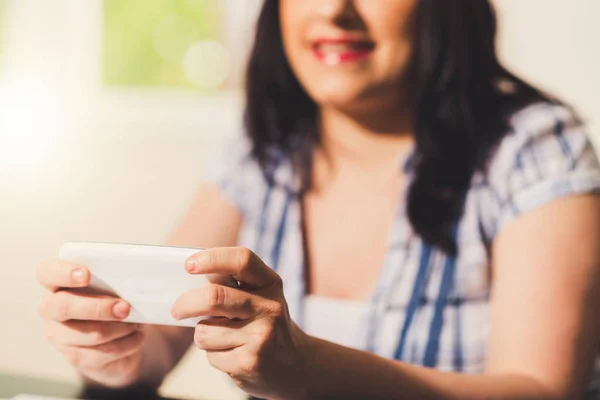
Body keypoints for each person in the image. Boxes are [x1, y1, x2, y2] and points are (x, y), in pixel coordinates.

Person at [36, 1, 600, 399]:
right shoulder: (264, 149)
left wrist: (305, 369)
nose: (334, 8)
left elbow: (542, 389)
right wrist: (115, 354)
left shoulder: (533, 146)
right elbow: (157, 344)